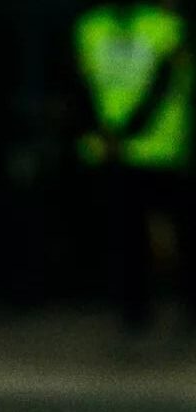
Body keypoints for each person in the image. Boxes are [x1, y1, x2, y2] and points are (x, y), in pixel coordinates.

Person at [72, 0, 195, 332]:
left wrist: (125, 130)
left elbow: (165, 81)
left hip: (163, 150)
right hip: (113, 153)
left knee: (182, 234)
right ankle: (134, 312)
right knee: (126, 236)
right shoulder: (90, 26)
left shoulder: (166, 24)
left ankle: (187, 307)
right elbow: (80, 84)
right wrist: (102, 134)